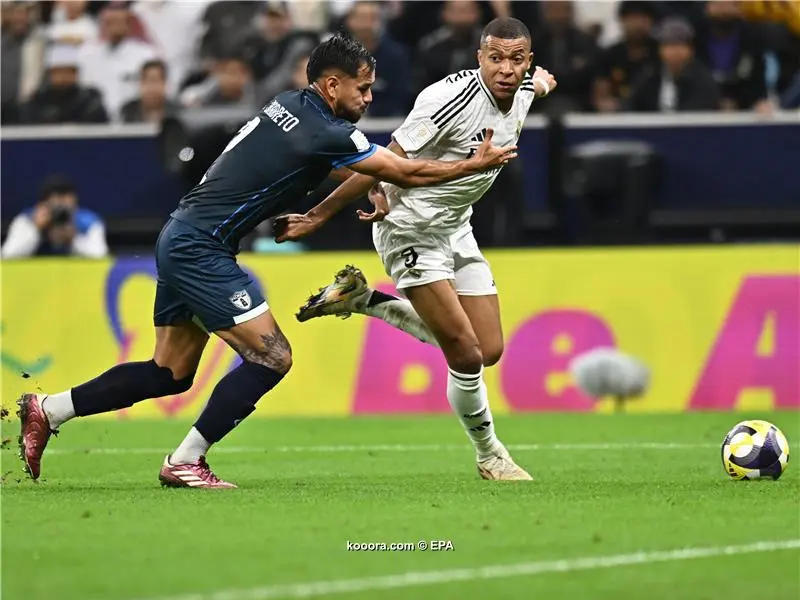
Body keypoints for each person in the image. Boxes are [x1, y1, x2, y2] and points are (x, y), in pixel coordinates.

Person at [17, 32, 517, 489]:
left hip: (182, 235)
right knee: (273, 357)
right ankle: (186, 460)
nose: (368, 98)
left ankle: (49, 408)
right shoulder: (327, 132)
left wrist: (343, 203)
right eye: (362, 89)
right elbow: (403, 169)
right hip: (200, 248)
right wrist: (470, 165)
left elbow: (360, 170)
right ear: (331, 84)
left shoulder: (289, 105)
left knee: (169, 373)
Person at [273, 18, 557, 481]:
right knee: (464, 355)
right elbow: (386, 161)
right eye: (495, 58)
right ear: (479, 58)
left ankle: (364, 300)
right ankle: (491, 457)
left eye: (517, 59)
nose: (506, 69)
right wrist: (319, 215)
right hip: (410, 229)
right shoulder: (447, 100)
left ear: (528, 61)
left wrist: (541, 83)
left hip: (456, 228)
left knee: (488, 349)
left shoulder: (525, 87)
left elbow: (535, 86)